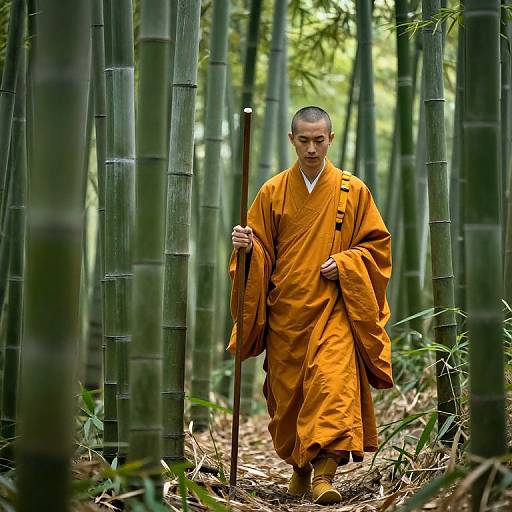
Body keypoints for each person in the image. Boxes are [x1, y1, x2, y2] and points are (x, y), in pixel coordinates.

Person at [228, 106, 393, 505]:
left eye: (319, 140)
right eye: (304, 140)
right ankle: (300, 467)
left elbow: (377, 247)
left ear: (331, 140)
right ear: (292, 140)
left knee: (332, 384)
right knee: (290, 398)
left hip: (335, 309)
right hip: (287, 311)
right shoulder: (272, 192)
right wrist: (247, 249)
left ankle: (324, 474)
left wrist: (349, 263)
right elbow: (260, 253)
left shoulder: (353, 191)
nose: (312, 148)